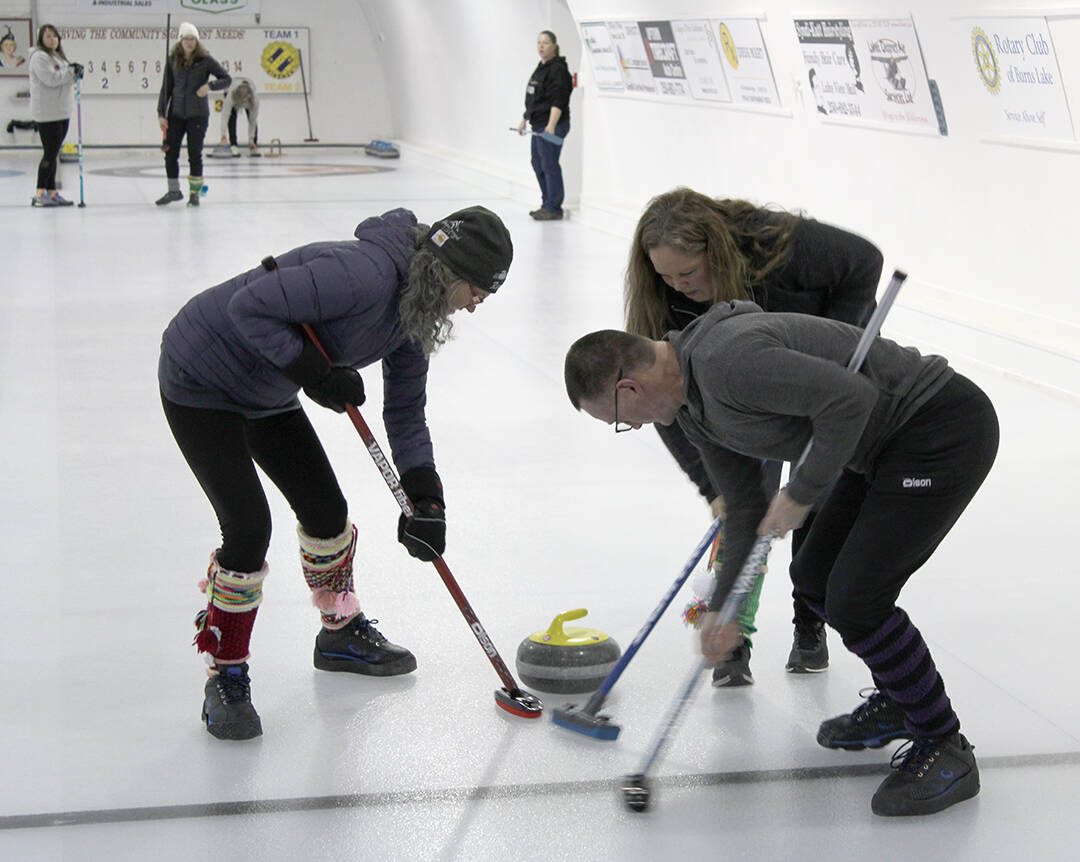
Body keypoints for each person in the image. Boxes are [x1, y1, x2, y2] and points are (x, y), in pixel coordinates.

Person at [564, 309, 998, 817]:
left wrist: (802, 492)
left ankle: (944, 745)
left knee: (858, 600)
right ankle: (902, 700)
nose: (631, 426)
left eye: (617, 418)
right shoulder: (692, 408)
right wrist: (722, 609)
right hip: (875, 448)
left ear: (630, 388)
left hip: (937, 430)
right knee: (813, 578)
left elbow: (852, 399)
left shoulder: (728, 363)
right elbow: (746, 508)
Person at [160, 205, 513, 740]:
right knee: (249, 526)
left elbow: (404, 410)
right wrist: (317, 375)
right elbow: (247, 307)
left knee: (327, 513)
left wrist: (425, 495)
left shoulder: (415, 311)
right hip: (202, 376)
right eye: (478, 292)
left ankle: (340, 634)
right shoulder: (363, 276)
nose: (475, 307)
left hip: (266, 389)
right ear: (449, 272)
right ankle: (226, 673)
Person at [625, 187, 882, 686]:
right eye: (665, 276)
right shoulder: (664, 305)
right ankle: (734, 637)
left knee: (813, 502)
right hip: (735, 399)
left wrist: (831, 343)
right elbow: (670, 411)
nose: (677, 286)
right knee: (747, 514)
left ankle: (810, 622)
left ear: (715, 252)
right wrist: (713, 489)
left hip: (811, 385)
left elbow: (863, 261)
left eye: (688, 274)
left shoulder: (773, 246)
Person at [155, 22, 230, 206]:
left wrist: (209, 86)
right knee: (170, 153)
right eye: (186, 39)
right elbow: (166, 88)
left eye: (193, 39)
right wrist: (161, 113)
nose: (190, 42)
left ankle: (194, 194)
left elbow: (226, 79)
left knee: (194, 154)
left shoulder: (205, 59)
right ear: (180, 40)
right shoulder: (172, 59)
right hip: (176, 114)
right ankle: (174, 191)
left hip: (198, 115)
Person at [515, 30, 572, 221]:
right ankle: (547, 202)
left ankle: (554, 207)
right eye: (539, 42)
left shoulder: (558, 70)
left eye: (546, 43)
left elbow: (559, 98)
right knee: (538, 162)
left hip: (551, 125)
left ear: (554, 46)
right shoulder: (541, 68)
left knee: (549, 164)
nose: (541, 46)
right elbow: (534, 99)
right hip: (537, 125)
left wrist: (551, 124)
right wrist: (524, 120)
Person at [27, 24, 82, 207]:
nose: (52, 39)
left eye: (55, 36)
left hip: (61, 111)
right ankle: (41, 192)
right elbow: (51, 79)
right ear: (41, 39)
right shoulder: (39, 57)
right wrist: (69, 73)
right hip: (48, 113)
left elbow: (64, 75)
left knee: (54, 152)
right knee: (49, 153)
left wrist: (74, 71)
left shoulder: (57, 56)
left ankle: (51, 192)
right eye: (48, 36)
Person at [218, 76, 259, 156]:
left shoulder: (255, 99)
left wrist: (251, 139)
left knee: (252, 119)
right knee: (231, 118)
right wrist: (223, 135)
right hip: (231, 88)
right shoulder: (231, 96)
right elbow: (225, 116)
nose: (243, 103)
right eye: (241, 101)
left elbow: (252, 121)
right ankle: (233, 144)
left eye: (245, 101)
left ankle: (253, 144)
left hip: (249, 93)